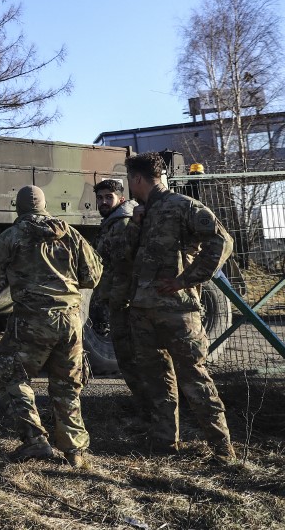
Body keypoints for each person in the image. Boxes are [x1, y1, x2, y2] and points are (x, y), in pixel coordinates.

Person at [123, 152, 236, 462]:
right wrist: (134, 225)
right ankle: (163, 446)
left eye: (130, 179)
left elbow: (222, 242)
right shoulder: (144, 212)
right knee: (158, 382)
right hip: (144, 311)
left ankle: (223, 450)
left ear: (137, 179)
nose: (129, 186)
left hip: (177, 312)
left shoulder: (182, 205)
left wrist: (187, 279)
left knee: (195, 379)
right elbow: (126, 256)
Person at [0, 185, 103, 468]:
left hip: (32, 319)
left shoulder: (11, 236)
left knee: (11, 372)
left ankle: (35, 441)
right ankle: (75, 452)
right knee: (67, 385)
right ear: (45, 205)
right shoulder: (72, 234)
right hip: (71, 321)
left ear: (19, 207)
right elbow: (93, 277)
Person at [92, 179, 149, 417]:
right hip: (118, 298)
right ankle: (146, 407)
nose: (104, 202)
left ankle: (149, 409)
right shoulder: (113, 221)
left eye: (109, 197)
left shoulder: (123, 222)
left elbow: (124, 262)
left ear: (121, 199)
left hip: (125, 300)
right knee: (128, 357)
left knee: (131, 357)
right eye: (101, 198)